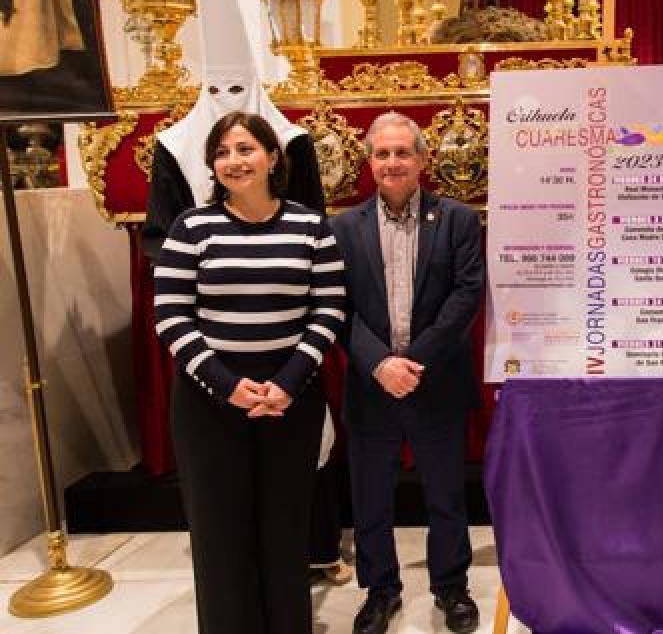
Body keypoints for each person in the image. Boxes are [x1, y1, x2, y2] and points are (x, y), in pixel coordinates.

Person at [153, 112, 346, 634]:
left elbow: (328, 309)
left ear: (272, 158)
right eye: (222, 153)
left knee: (285, 529)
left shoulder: (310, 226)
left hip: (291, 398)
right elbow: (171, 316)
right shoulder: (191, 227)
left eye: (245, 149)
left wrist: (288, 382)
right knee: (219, 534)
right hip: (208, 400)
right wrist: (225, 385)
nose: (233, 161)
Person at [332, 111, 485, 634]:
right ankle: (380, 591)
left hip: (435, 381)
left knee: (446, 495)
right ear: (369, 162)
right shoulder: (342, 228)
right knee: (371, 500)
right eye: (382, 153)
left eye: (403, 152)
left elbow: (467, 295)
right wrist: (380, 364)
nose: (392, 162)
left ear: (423, 159)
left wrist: (413, 362)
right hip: (371, 385)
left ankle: (452, 587)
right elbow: (337, 306)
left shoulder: (458, 219)